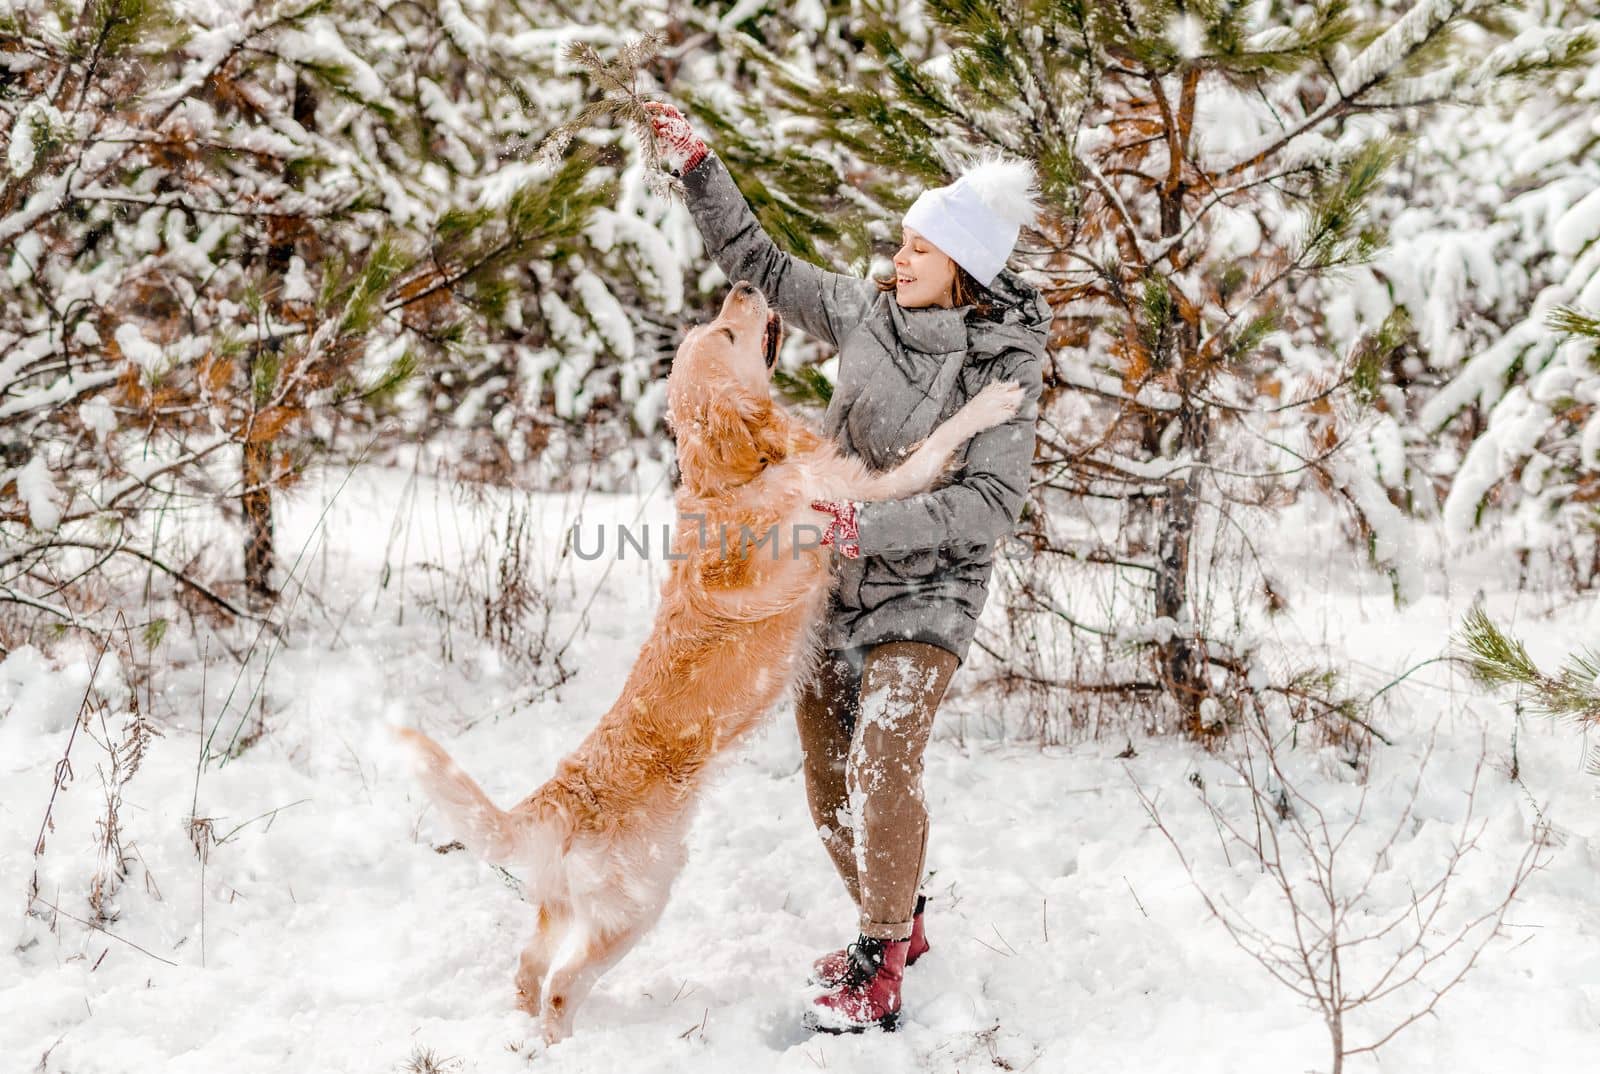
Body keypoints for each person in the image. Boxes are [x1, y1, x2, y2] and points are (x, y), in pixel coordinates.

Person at [646, 101, 1051, 1033]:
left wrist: (858, 528)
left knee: (883, 759)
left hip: (929, 593)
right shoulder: (869, 316)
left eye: (918, 248)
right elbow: (763, 267)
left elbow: (989, 507)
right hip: (837, 581)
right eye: (903, 243)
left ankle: (877, 960)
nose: (898, 259)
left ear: (964, 270)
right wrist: (700, 167)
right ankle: (900, 921)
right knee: (826, 777)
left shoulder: (1005, 367)